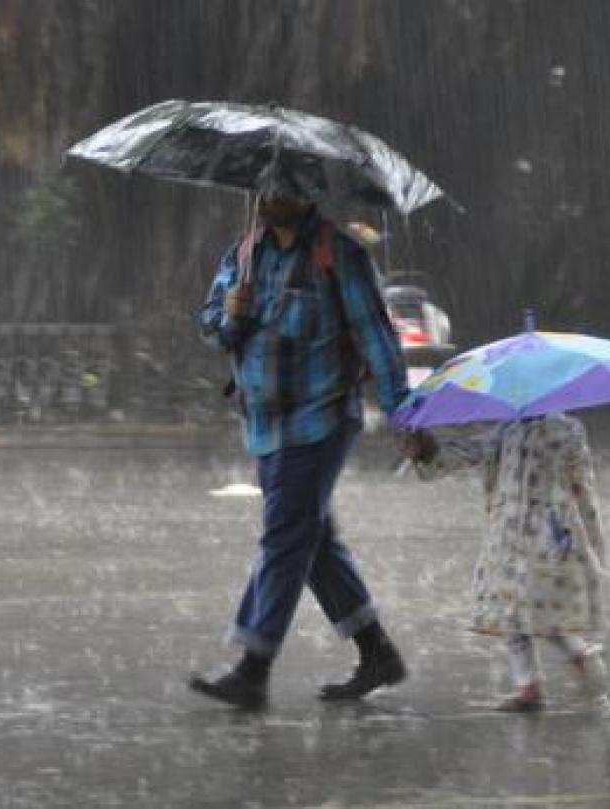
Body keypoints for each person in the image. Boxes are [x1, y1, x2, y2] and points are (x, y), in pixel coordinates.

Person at [189, 163, 410, 708]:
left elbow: (377, 338)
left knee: (285, 537)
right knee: (311, 542)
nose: (269, 198)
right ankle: (376, 650)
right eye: (263, 189)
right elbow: (212, 322)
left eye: (281, 190)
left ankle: (253, 666)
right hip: (264, 424)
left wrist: (405, 415)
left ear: (306, 195)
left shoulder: (339, 256)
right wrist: (229, 315)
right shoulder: (245, 252)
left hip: (321, 418)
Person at [398, 414, 608, 711]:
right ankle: (539, 679)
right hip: (530, 532)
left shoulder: (529, 430)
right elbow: (583, 486)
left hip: (529, 533)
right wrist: (427, 450)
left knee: (523, 607)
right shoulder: (528, 430)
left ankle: (562, 663)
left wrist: (430, 452)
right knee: (521, 608)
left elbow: (581, 485)